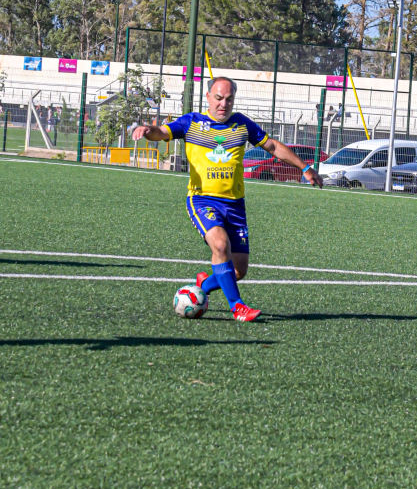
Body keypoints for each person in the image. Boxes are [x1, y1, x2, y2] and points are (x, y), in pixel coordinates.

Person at [131, 76, 324, 322]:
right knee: (220, 246)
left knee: (237, 270)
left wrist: (304, 167)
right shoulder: (192, 122)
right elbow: (161, 133)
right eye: (219, 98)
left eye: (229, 99)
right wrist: (148, 130)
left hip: (235, 204)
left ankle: (203, 283)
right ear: (209, 97)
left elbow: (273, 147)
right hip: (202, 200)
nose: (224, 104)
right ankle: (237, 306)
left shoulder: (241, 124)